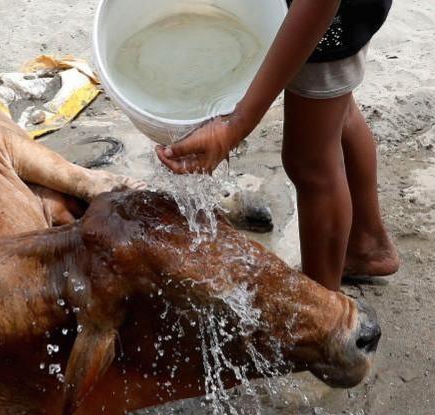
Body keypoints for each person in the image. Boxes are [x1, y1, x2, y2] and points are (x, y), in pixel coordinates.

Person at [156, 0, 400, 291]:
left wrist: (236, 125)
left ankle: (322, 312)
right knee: (334, 110)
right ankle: (366, 243)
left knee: (309, 162)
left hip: (331, 16)